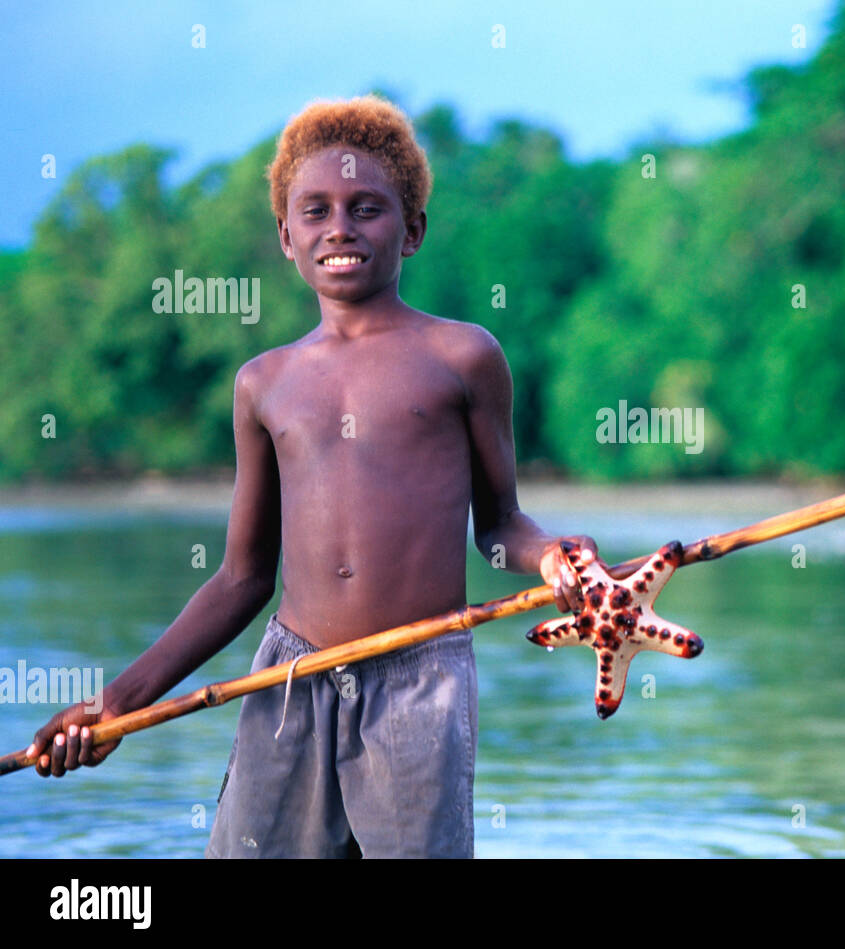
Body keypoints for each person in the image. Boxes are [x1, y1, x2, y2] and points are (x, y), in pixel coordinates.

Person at [27, 95, 600, 858]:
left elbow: (499, 528)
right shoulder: (264, 383)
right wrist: (115, 705)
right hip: (289, 677)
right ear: (286, 237)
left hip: (420, 677)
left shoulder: (463, 357)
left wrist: (553, 556)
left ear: (413, 229)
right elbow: (240, 577)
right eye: (316, 210)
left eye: (368, 208)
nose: (340, 227)